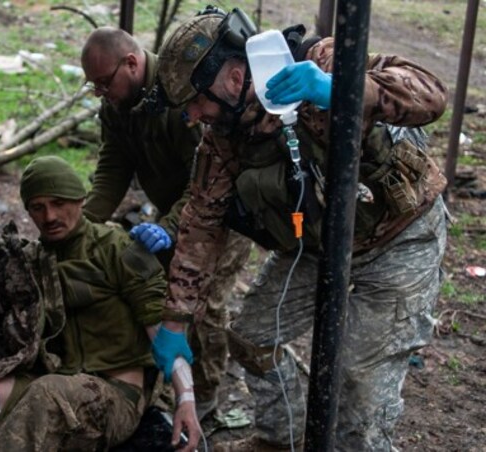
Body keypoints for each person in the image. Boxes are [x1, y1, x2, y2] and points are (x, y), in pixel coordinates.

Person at [150, 6, 448, 450]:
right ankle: (283, 437)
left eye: (196, 101)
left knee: (357, 384)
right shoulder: (224, 139)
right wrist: (175, 321)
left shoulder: (320, 62)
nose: (193, 115)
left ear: (233, 78)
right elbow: (202, 224)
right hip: (319, 249)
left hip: (399, 241)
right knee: (251, 339)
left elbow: (432, 94)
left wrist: (344, 90)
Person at [0, 156, 202, 452]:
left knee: (48, 395)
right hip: (49, 379)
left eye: (59, 203)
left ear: (80, 199)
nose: (50, 216)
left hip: (116, 394)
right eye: (38, 207)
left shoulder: (117, 249)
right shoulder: (25, 265)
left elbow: (164, 334)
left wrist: (186, 400)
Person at [80, 26, 251, 420]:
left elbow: (207, 184)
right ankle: (163, 378)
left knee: (204, 305)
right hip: (171, 213)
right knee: (160, 293)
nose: (101, 92)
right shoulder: (118, 105)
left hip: (220, 216)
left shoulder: (184, 95)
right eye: (95, 86)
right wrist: (85, 222)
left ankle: (204, 393)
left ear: (132, 63)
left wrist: (171, 228)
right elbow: (114, 164)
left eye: (105, 82)